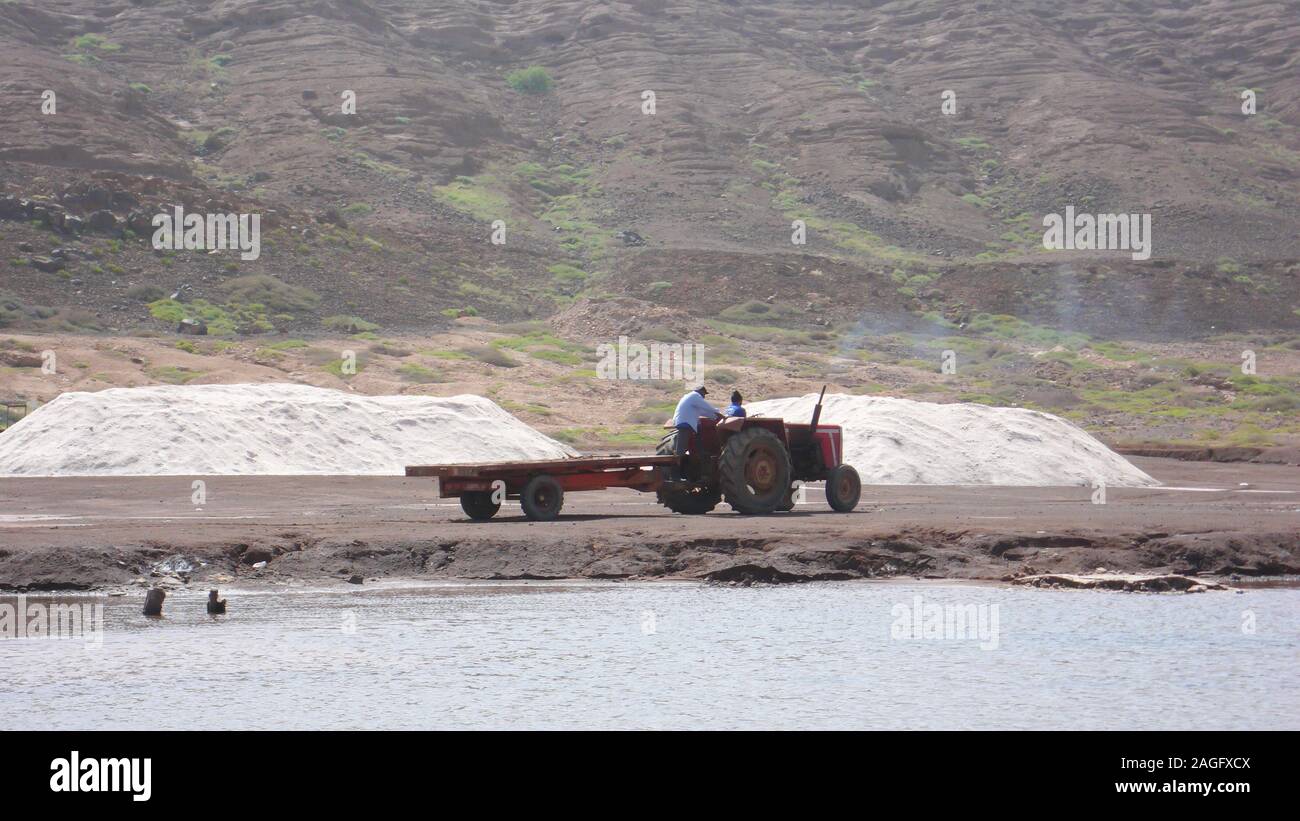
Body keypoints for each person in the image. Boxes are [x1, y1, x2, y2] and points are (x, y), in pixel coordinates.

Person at [666, 385, 721, 483]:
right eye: (704, 394)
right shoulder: (695, 396)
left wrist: (714, 416)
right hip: (685, 424)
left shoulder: (689, 398)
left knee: (699, 449)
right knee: (680, 452)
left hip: (687, 423)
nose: (704, 396)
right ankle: (675, 477)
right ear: (700, 391)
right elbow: (706, 407)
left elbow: (703, 411)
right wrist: (719, 413)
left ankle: (702, 473)